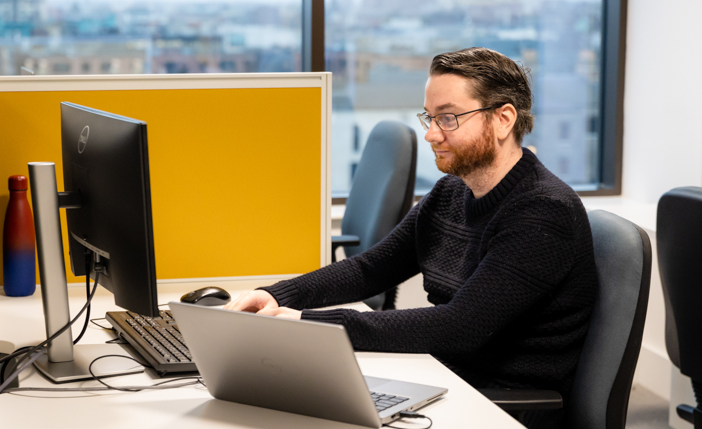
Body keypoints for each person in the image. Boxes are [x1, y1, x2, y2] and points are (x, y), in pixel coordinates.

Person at [225, 47, 597, 429]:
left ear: (503, 119)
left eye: (448, 118)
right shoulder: (451, 192)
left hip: (502, 405)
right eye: (430, 117)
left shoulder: (543, 213)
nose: (431, 134)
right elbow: (371, 269)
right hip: (442, 375)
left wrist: (308, 324)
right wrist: (278, 296)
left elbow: (460, 326)